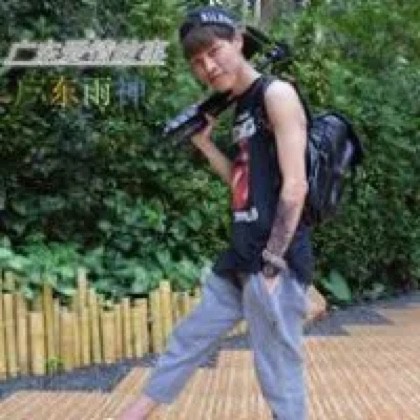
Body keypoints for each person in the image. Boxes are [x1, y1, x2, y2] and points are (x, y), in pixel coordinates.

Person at [119, 5, 317, 420]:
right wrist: (206, 145)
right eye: (197, 61)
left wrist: (273, 263)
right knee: (189, 338)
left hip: (272, 260)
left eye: (214, 51)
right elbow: (244, 184)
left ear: (238, 41)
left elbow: (296, 186)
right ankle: (133, 413)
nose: (208, 66)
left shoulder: (276, 95)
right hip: (240, 256)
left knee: (278, 371)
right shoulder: (241, 107)